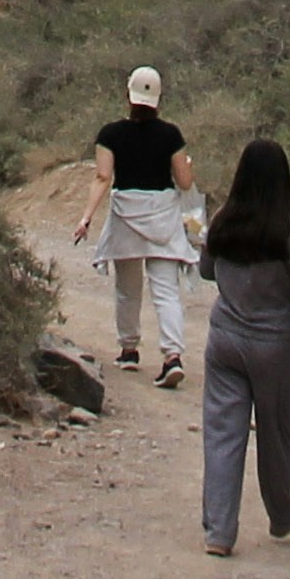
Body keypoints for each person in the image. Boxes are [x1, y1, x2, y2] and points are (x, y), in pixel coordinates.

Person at [185, 134, 290, 555]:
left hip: (225, 338)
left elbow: (207, 271)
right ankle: (283, 510)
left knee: (223, 434)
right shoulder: (288, 228)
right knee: (277, 433)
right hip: (276, 346)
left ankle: (219, 533)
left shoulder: (223, 222)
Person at [71, 65, 203, 386]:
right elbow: (185, 183)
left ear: (128, 95)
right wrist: (188, 166)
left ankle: (129, 350)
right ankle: (172, 356)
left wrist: (86, 217)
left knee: (127, 290)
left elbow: (103, 177)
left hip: (126, 217)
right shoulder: (171, 135)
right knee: (165, 291)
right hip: (163, 218)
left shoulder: (110, 134)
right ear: (159, 99)